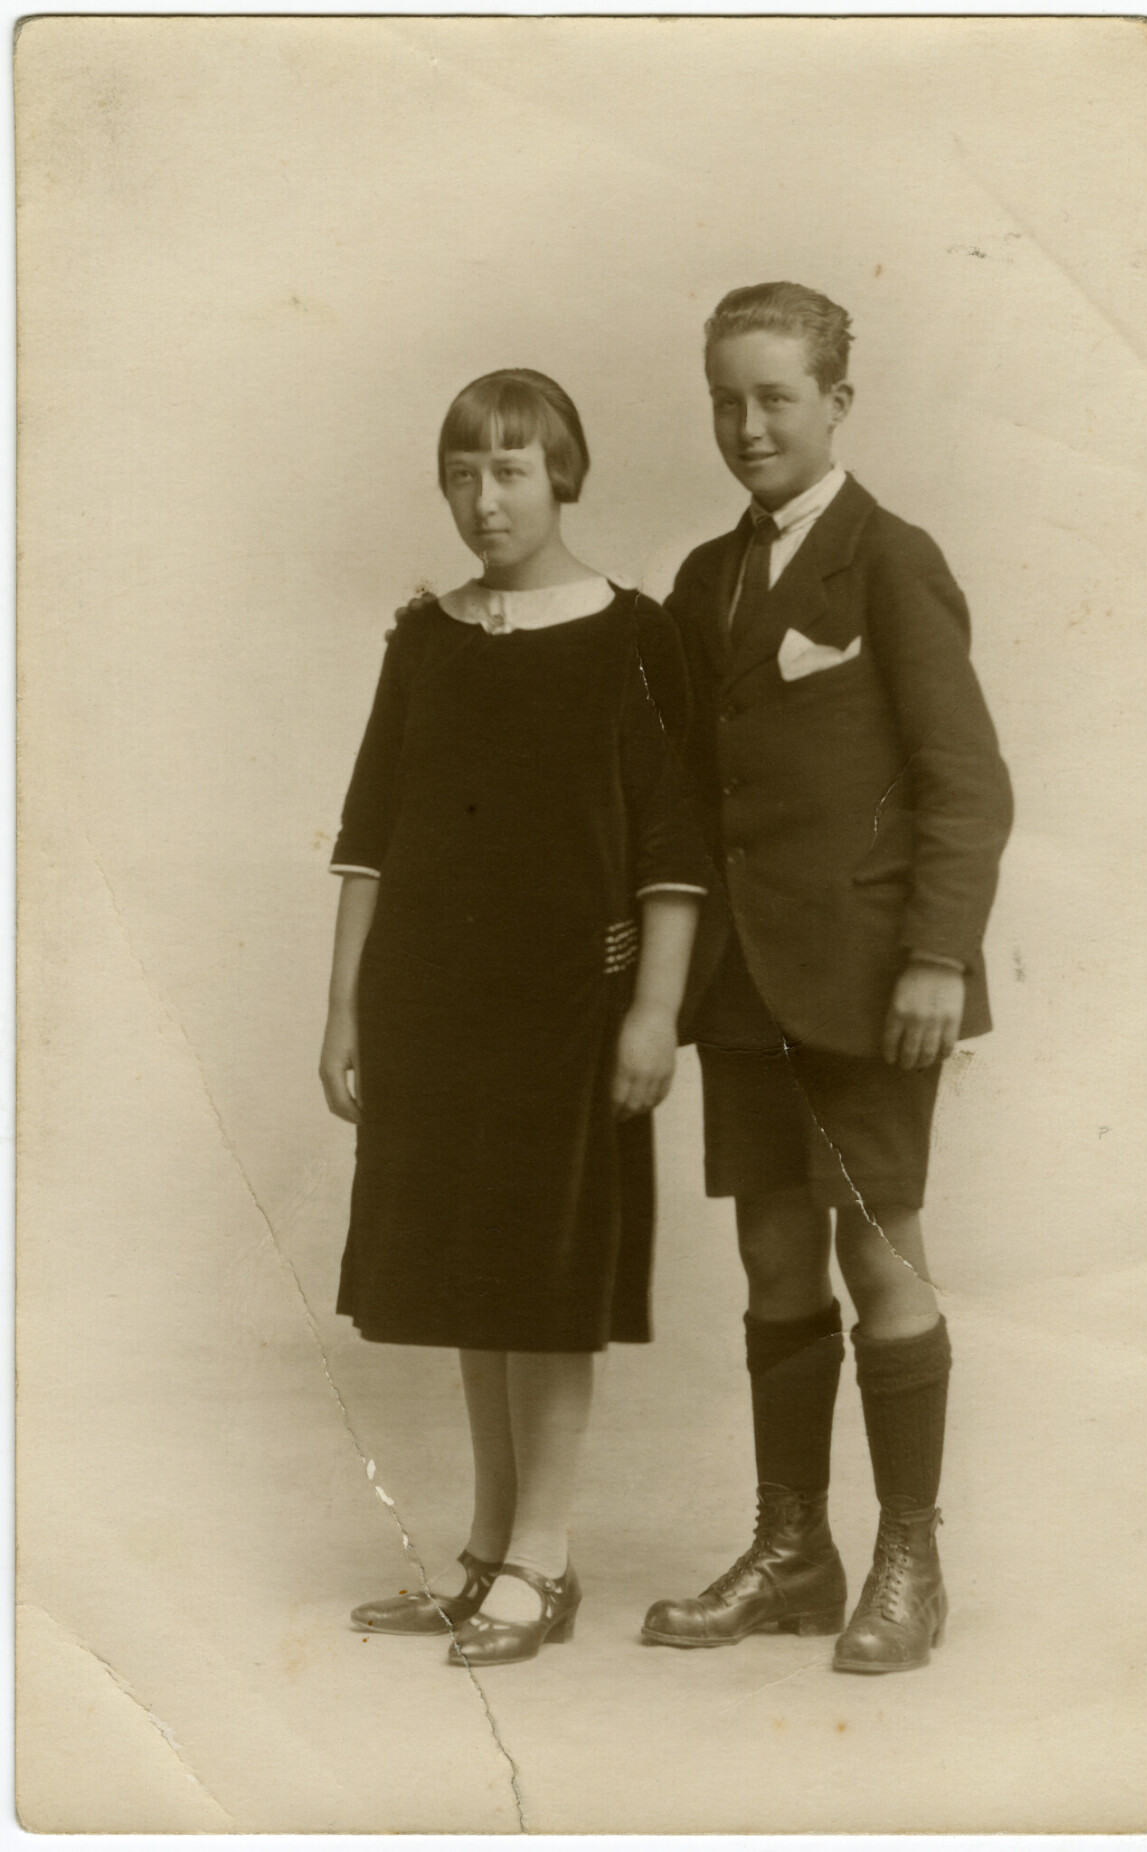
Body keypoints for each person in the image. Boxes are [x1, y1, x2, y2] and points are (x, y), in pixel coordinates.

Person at [641, 283, 1013, 1674]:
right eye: (725, 401)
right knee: (774, 1256)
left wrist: (937, 956)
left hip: (871, 984)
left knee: (879, 1253)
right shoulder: (704, 579)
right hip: (745, 982)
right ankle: (794, 1550)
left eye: (776, 398)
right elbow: (678, 784)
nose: (748, 427)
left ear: (838, 404)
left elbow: (967, 784)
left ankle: (913, 1559)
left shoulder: (890, 559)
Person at [320, 369, 707, 1668]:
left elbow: (673, 844)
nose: (485, 500)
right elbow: (369, 836)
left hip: (567, 1012)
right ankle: (490, 1551)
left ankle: (543, 1557)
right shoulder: (423, 638)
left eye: (511, 471)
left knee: (546, 1281)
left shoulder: (633, 635)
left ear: (563, 475)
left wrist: (653, 1009)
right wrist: (344, 1011)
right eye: (462, 474)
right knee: (473, 1276)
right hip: (431, 1008)